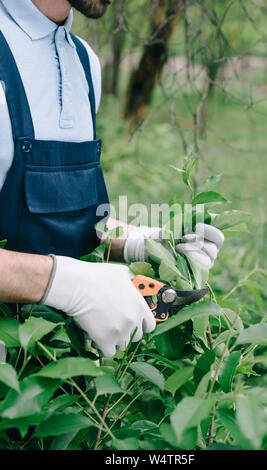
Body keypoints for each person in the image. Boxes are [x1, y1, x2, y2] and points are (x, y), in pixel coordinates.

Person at [0, 0, 224, 357]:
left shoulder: (84, 62)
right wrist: (64, 283)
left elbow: (60, 220)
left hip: (65, 377)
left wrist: (142, 242)